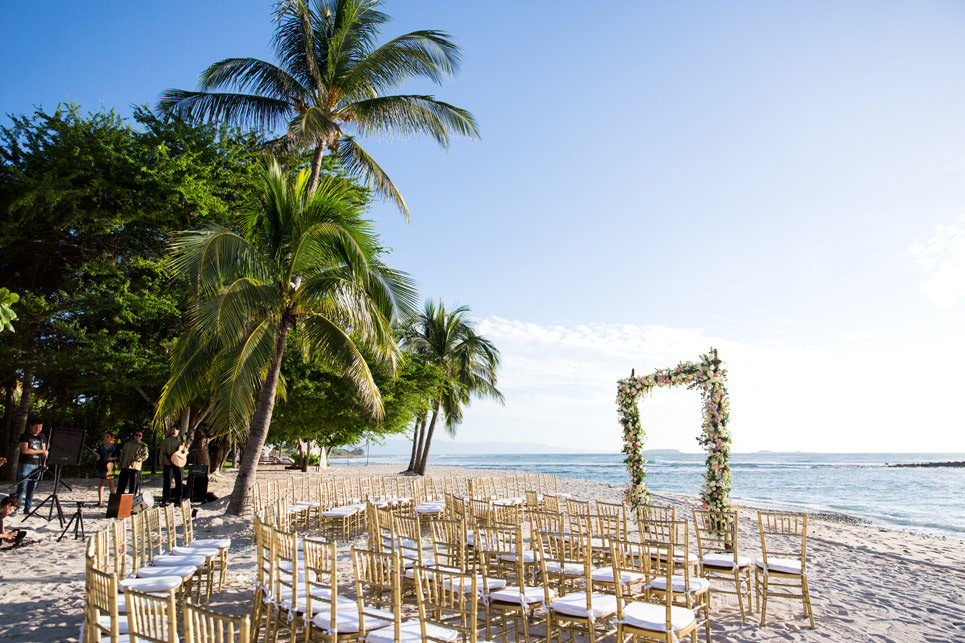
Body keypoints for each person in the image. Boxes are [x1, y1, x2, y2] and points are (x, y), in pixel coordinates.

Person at [16, 419, 47, 514]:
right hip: (26, 464)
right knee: (21, 487)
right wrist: (41, 451)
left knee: (32, 487)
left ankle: (27, 509)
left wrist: (44, 463)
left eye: (40, 427)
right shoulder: (24, 436)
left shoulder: (42, 436)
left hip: (37, 464)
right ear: (31, 426)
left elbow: (44, 451)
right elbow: (25, 450)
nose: (38, 429)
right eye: (36, 427)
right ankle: (16, 508)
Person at [116, 431, 149, 495]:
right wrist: (120, 464)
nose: (138, 437)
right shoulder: (128, 444)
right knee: (121, 484)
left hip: (135, 467)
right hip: (125, 465)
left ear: (141, 437)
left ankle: (132, 498)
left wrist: (139, 459)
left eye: (140, 436)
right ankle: (119, 497)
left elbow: (146, 455)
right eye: (136, 435)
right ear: (134, 436)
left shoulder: (143, 446)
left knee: (133, 485)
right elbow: (123, 454)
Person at [160, 426, 185, 505]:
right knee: (167, 482)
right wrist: (161, 463)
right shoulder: (166, 441)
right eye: (172, 430)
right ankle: (165, 499)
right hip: (168, 463)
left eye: (175, 430)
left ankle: (178, 500)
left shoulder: (182, 440)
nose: (173, 431)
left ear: (178, 431)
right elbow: (162, 452)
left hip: (179, 463)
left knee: (179, 482)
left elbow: (185, 451)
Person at [94, 432, 120, 506]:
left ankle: (113, 502)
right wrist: (97, 457)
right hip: (101, 465)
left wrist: (112, 458)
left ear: (111, 438)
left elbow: (119, 456)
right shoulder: (101, 446)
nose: (105, 438)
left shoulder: (115, 446)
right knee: (100, 483)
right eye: (105, 437)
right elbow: (98, 455)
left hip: (110, 466)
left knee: (110, 483)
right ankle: (100, 501)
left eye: (107, 437)